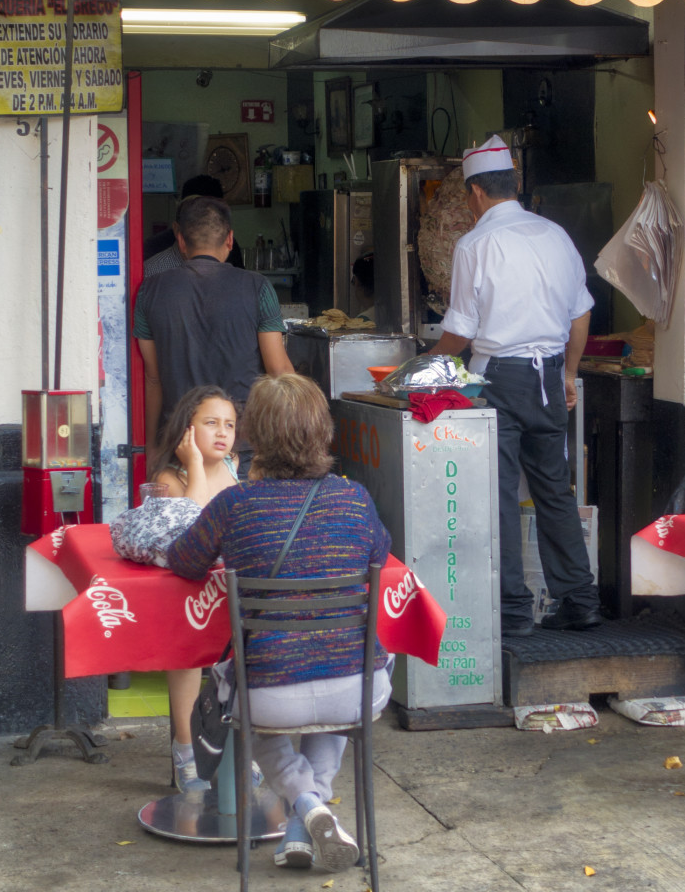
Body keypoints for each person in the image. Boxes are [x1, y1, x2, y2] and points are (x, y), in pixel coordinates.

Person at [167, 373, 392, 872]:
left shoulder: (234, 506)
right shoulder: (355, 499)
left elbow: (183, 561)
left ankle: (305, 809)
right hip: (356, 689)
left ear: (255, 436)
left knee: (241, 699)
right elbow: (381, 549)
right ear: (322, 432)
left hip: (269, 696)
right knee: (343, 663)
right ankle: (306, 818)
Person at [430, 135, 603, 636]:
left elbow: (460, 333)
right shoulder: (556, 235)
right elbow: (581, 312)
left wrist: (425, 364)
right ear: (515, 186)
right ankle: (580, 601)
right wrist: (568, 374)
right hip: (548, 376)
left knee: (499, 494)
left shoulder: (475, 244)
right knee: (554, 491)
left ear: (476, 193)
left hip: (499, 380)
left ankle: (511, 611)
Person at [133, 195, 294, 461]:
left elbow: (153, 378)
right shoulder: (258, 287)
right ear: (230, 239)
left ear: (182, 241)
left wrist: (151, 446)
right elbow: (279, 371)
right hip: (240, 442)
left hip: (180, 440)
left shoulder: (149, 291)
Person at [147, 386, 241, 793]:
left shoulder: (239, 467)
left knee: (244, 661)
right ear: (187, 430)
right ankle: (185, 751)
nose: (223, 432)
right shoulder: (171, 477)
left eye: (230, 425)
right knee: (186, 659)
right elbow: (189, 528)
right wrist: (197, 467)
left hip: (232, 585)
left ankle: (239, 752)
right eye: (210, 423)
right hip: (190, 589)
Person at [144, 174, 244, 276]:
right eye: (193, 218)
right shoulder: (153, 268)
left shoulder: (231, 251)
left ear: (228, 239)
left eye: (209, 220)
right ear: (177, 230)